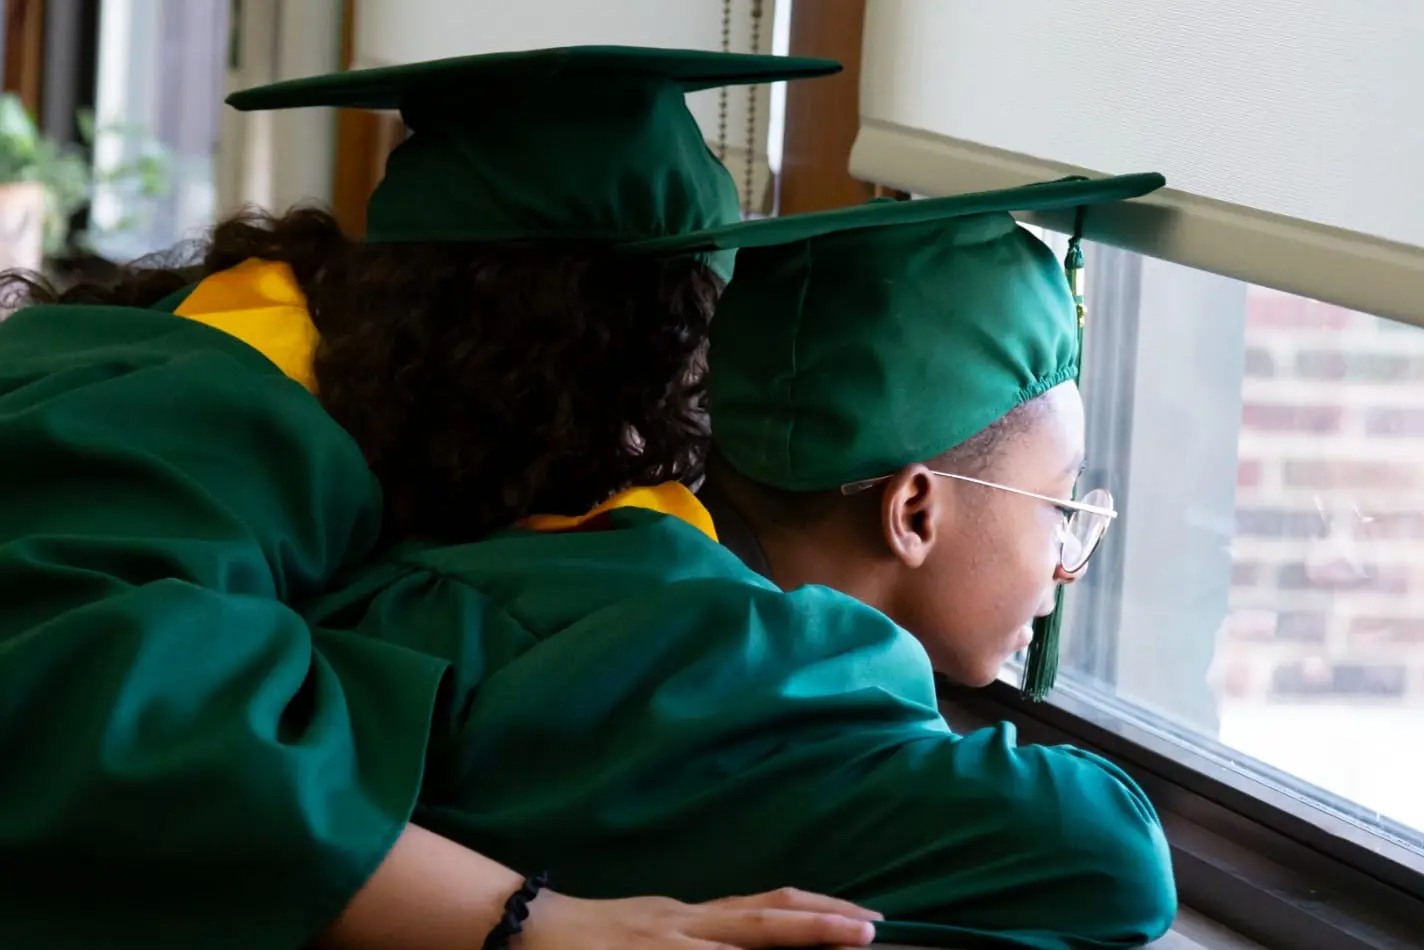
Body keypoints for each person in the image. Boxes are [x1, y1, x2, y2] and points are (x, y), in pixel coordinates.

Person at [0, 47, 874, 950]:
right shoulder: (226, 405)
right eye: (663, 381)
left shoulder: (271, 337)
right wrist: (524, 922)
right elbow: (101, 697)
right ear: (555, 364)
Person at [295, 175, 1178, 949]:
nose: (1068, 562)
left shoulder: (534, 560)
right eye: (1062, 509)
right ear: (913, 511)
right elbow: (1113, 855)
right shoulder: (757, 684)